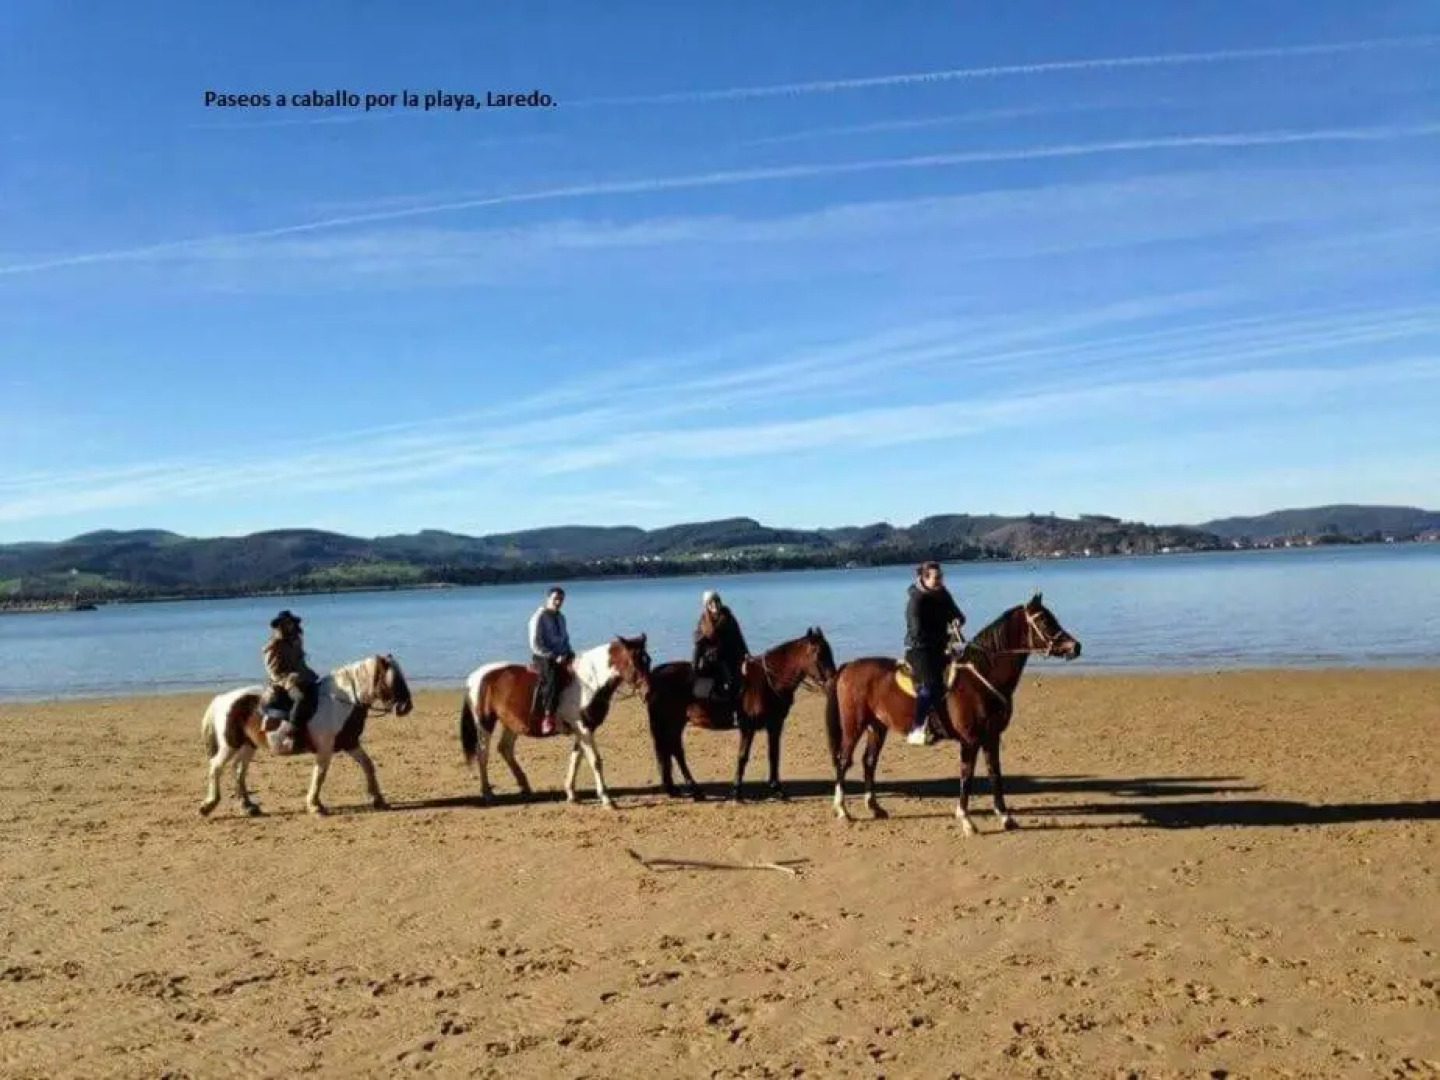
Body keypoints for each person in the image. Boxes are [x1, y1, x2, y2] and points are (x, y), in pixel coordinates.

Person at [903, 562, 966, 746]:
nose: (940, 581)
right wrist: (946, 637)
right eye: (936, 578)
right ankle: (916, 729)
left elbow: (958, 616)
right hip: (919, 650)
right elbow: (917, 633)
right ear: (924, 578)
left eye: (941, 577)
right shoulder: (916, 601)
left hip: (940, 646)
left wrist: (956, 621)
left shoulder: (943, 594)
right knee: (930, 686)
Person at [262, 610, 320, 749]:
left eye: (291, 623)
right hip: (282, 683)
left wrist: (307, 673)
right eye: (286, 623)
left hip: (301, 678)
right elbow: (273, 672)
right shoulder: (274, 645)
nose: (290, 626)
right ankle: (290, 732)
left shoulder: (296, 640)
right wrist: (288, 681)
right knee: (300, 698)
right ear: (280, 626)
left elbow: (300, 663)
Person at [692, 589, 750, 712]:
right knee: (702, 689)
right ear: (707, 606)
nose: (714, 604)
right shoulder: (703, 621)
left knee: (737, 683)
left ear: (720, 602)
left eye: (716, 601)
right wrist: (695, 666)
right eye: (710, 602)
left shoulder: (729, 618)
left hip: (730, 658)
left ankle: (736, 710)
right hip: (710, 660)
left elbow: (739, 638)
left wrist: (746, 656)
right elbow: (698, 645)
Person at [528, 586, 574, 736]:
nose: (558, 602)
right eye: (556, 599)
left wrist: (570, 652)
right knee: (552, 677)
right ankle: (548, 717)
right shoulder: (539, 617)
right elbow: (535, 644)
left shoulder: (561, 617)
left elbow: (565, 639)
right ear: (548, 599)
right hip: (543, 656)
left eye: (561, 599)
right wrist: (554, 656)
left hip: (561, 654)